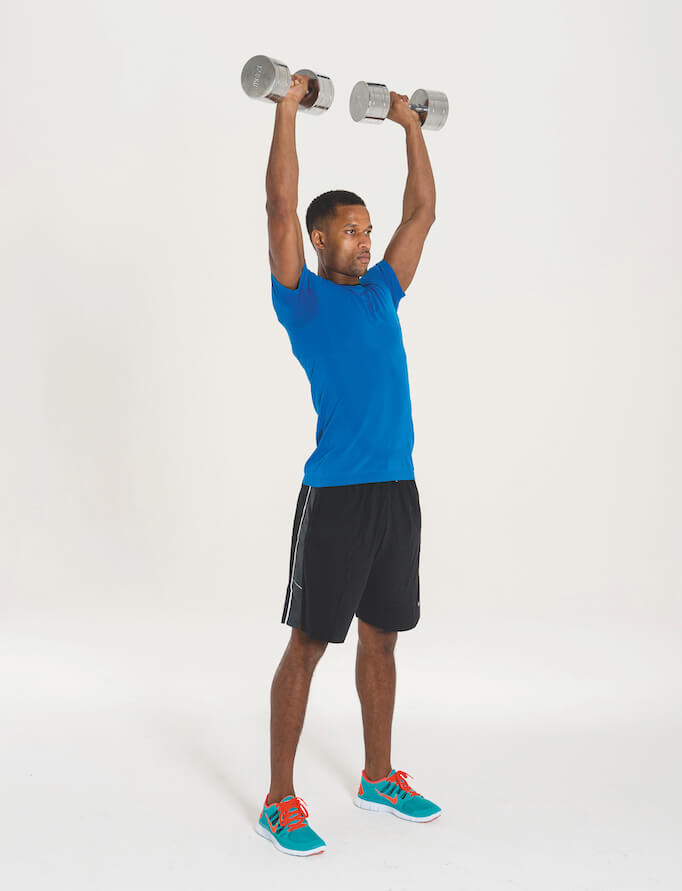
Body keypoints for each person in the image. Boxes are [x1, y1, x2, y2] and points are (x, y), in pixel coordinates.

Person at [255, 72, 441, 858]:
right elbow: (277, 206)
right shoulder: (301, 296)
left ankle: (376, 774)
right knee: (308, 643)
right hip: (334, 498)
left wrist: (408, 124)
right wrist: (288, 108)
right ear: (320, 238)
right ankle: (279, 798)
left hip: (397, 492)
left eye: (368, 230)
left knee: (384, 636)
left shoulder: (381, 294)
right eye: (352, 231)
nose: (366, 240)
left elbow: (424, 211)